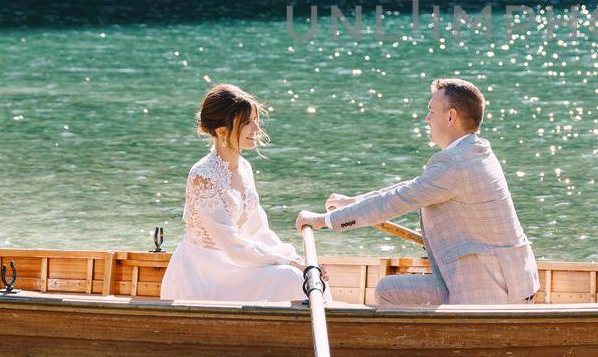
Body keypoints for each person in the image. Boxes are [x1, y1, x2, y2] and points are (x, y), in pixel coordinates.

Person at [296, 77, 538, 307]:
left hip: (487, 289)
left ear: (451, 116)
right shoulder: (475, 150)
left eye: (431, 111)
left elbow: (397, 200)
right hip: (516, 283)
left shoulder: (453, 163)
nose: (426, 118)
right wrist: (355, 201)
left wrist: (323, 220)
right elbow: (413, 187)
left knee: (388, 291)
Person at [160, 84, 307, 303]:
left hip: (234, 262)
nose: (257, 130)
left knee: (307, 276)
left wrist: (292, 256)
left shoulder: (244, 167)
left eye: (256, 120)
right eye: (247, 123)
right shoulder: (202, 176)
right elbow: (232, 245)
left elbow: (259, 229)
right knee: (290, 276)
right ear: (222, 131)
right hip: (206, 274)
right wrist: (284, 262)